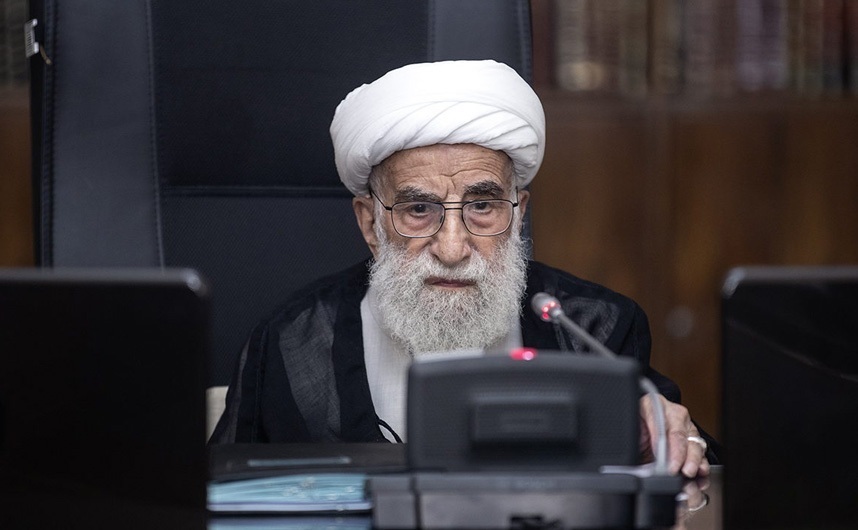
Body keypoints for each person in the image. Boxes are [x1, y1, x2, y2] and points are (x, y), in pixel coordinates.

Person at [211, 60, 716, 477]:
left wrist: (670, 448)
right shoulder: (291, 341)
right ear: (370, 223)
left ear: (518, 213)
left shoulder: (593, 328)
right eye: (418, 209)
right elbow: (220, 495)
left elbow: (698, 478)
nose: (452, 248)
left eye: (482, 206)